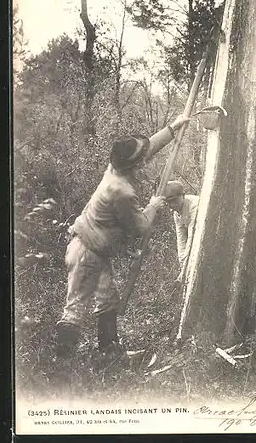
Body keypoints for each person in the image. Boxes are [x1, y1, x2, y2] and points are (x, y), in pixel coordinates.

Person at [54, 115, 190, 360]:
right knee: (76, 307)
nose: (145, 163)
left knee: (107, 300)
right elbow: (140, 227)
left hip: (95, 249)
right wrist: (153, 206)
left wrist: (172, 128)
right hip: (86, 252)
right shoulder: (122, 192)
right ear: (135, 166)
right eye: (142, 162)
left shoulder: (115, 169)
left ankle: (109, 352)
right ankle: (61, 364)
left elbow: (148, 148)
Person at [164, 180, 199, 282]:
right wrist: (182, 265)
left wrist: (186, 267)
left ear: (183, 195)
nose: (172, 205)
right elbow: (181, 239)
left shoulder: (194, 206)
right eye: (169, 202)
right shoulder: (176, 214)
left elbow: (192, 236)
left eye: (175, 201)